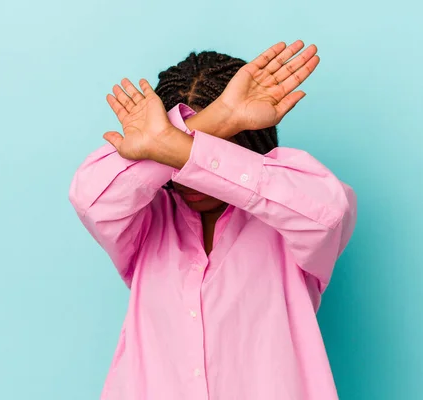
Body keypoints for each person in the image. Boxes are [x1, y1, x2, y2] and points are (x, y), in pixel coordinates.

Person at [69, 40, 357, 400]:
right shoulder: (143, 220)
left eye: (219, 139)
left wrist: (182, 145)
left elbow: (329, 211)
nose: (187, 174)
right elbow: (89, 196)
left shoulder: (287, 212)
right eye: (169, 151)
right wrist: (218, 120)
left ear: (250, 141)